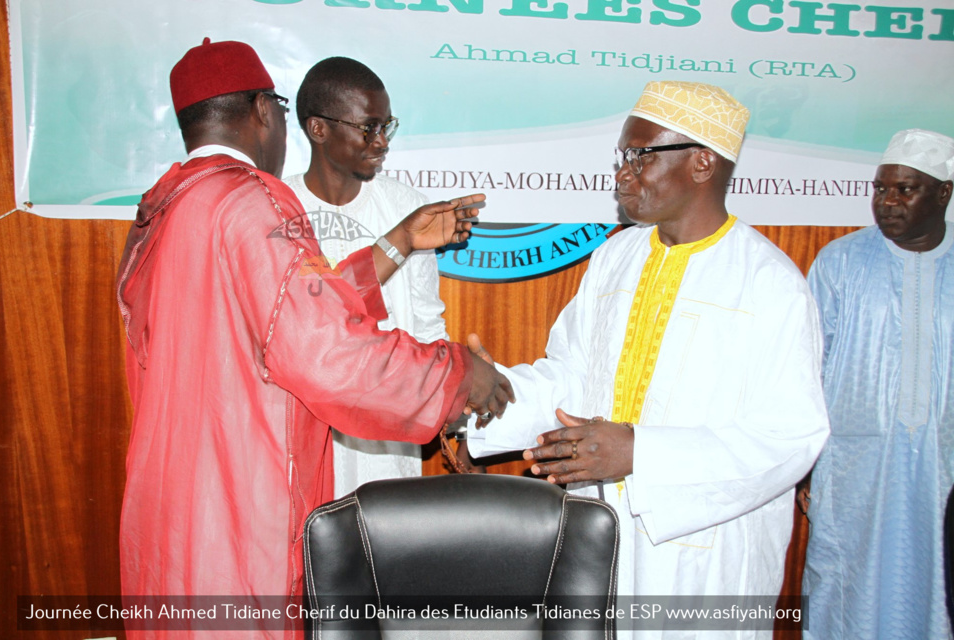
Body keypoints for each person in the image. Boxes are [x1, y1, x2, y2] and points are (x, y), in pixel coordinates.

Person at [115, 38, 512, 638]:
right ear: (262, 112)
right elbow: (327, 353)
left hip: (171, 508)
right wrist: (457, 375)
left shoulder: (160, 212)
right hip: (236, 505)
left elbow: (291, 312)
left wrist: (395, 243)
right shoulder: (252, 201)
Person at [466, 80, 830, 638]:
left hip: (702, 554)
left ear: (703, 164)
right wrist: (483, 397)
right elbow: (569, 375)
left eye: (640, 155)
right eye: (622, 156)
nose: (622, 173)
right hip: (601, 533)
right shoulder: (616, 256)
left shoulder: (769, 284)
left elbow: (789, 436)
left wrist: (641, 452)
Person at [801, 129, 954, 640]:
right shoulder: (840, 262)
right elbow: (804, 370)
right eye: (880, 189)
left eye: (905, 189)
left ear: (943, 194)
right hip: (853, 469)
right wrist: (804, 464)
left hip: (946, 470)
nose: (886, 202)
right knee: (846, 585)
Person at [283, 57, 452, 496]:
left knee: (382, 558)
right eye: (368, 127)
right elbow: (304, 323)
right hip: (304, 437)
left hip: (387, 443)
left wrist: (454, 407)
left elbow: (428, 322)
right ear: (319, 129)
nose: (382, 142)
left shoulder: (405, 206)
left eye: (387, 127)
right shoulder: (278, 208)